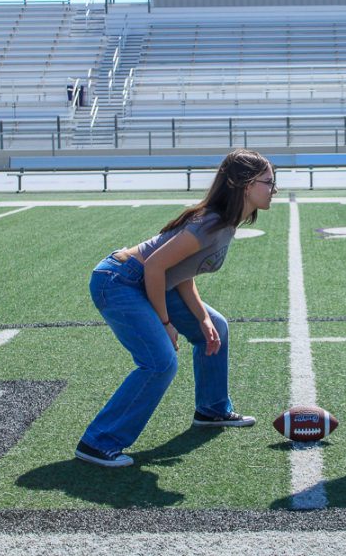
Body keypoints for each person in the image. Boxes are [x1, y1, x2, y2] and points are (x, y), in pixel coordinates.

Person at [75, 148, 278, 467]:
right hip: (119, 281)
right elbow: (155, 267)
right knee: (161, 362)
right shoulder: (211, 223)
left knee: (216, 326)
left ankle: (212, 410)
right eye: (269, 181)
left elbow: (182, 273)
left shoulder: (226, 223)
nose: (274, 189)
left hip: (148, 281)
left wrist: (201, 318)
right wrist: (166, 323)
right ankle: (99, 442)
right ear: (246, 184)